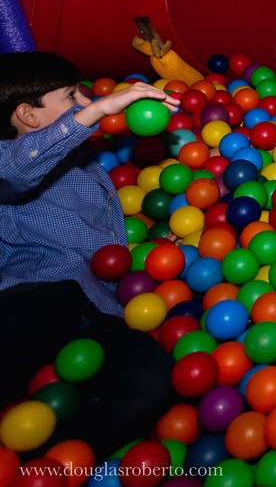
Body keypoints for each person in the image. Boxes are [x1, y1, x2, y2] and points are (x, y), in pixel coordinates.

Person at [0, 51, 177, 458]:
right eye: (70, 95)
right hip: (36, 295)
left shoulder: (85, 164)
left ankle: (46, 465)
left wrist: (155, 252)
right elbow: (15, 170)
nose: (83, 99)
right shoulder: (9, 164)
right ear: (27, 115)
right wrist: (96, 109)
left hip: (98, 310)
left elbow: (101, 247)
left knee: (156, 379)